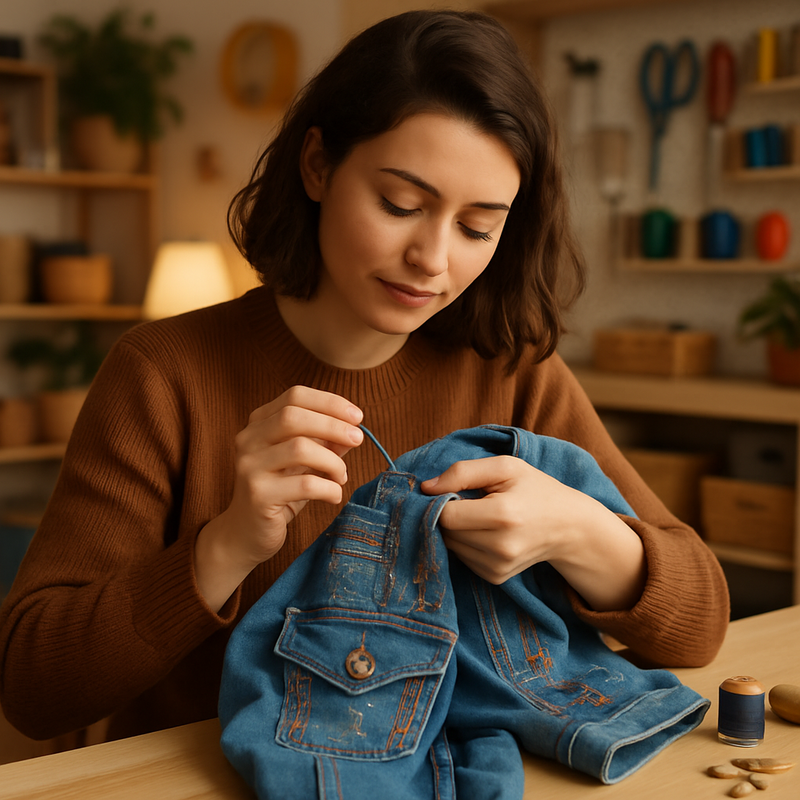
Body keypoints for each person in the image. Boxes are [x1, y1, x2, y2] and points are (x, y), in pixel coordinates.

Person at [0, 10, 729, 745]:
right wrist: (225, 546)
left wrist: (581, 533)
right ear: (317, 165)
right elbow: (32, 686)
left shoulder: (513, 369)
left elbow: (701, 628)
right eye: (400, 204)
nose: (433, 259)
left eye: (478, 227)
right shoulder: (162, 374)